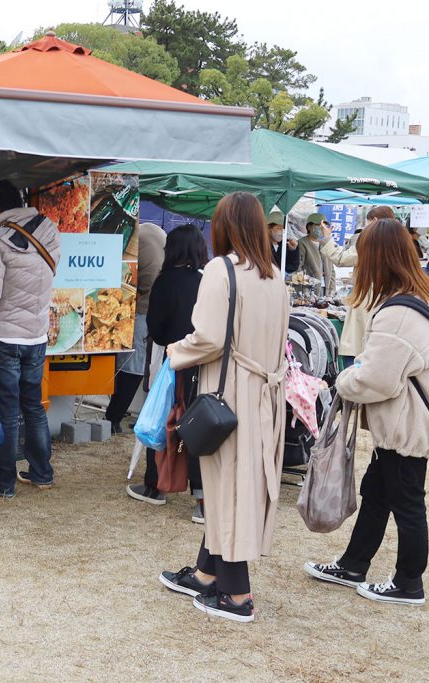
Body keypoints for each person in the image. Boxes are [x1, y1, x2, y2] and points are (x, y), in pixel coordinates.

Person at [158, 192, 289, 623]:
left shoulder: (221, 270)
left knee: (229, 486)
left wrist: (175, 352)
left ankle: (237, 595)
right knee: (234, 484)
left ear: (223, 226)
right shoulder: (275, 277)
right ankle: (205, 574)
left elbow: (209, 338)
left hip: (229, 391)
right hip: (265, 396)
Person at [304, 218, 429, 606]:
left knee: (406, 502)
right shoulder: (413, 299)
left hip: (405, 426)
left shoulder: (399, 313)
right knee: (377, 492)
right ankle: (354, 563)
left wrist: (342, 380)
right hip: (403, 424)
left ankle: (409, 582)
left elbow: (377, 379)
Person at [0, 178, 60, 497]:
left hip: (3, 336)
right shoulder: (49, 230)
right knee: (33, 405)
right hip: (36, 335)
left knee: (7, 406)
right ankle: (41, 472)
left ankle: (3, 479)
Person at [127, 224, 208, 523]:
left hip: (171, 364)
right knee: (199, 427)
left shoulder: (165, 281)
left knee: (162, 420)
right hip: (204, 366)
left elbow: (158, 333)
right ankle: (202, 501)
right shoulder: (207, 281)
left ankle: (155, 486)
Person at [104, 222, 167, 435]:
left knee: (131, 366)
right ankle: (117, 415)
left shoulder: (135, 239)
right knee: (140, 365)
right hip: (156, 307)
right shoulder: (154, 232)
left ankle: (113, 417)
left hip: (142, 309)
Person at [321, 206, 395, 367]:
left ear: (374, 221)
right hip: (387, 303)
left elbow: (341, 258)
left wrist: (327, 238)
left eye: (368, 222)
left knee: (357, 347)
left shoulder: (370, 244)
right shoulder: (396, 244)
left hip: (366, 299)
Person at [297, 212, 335, 297]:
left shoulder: (325, 244)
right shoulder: (302, 243)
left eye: (324, 226)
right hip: (309, 289)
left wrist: (332, 290)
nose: (322, 228)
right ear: (309, 227)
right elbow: (298, 268)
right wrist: (304, 290)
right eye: (319, 225)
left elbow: (331, 270)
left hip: (325, 289)